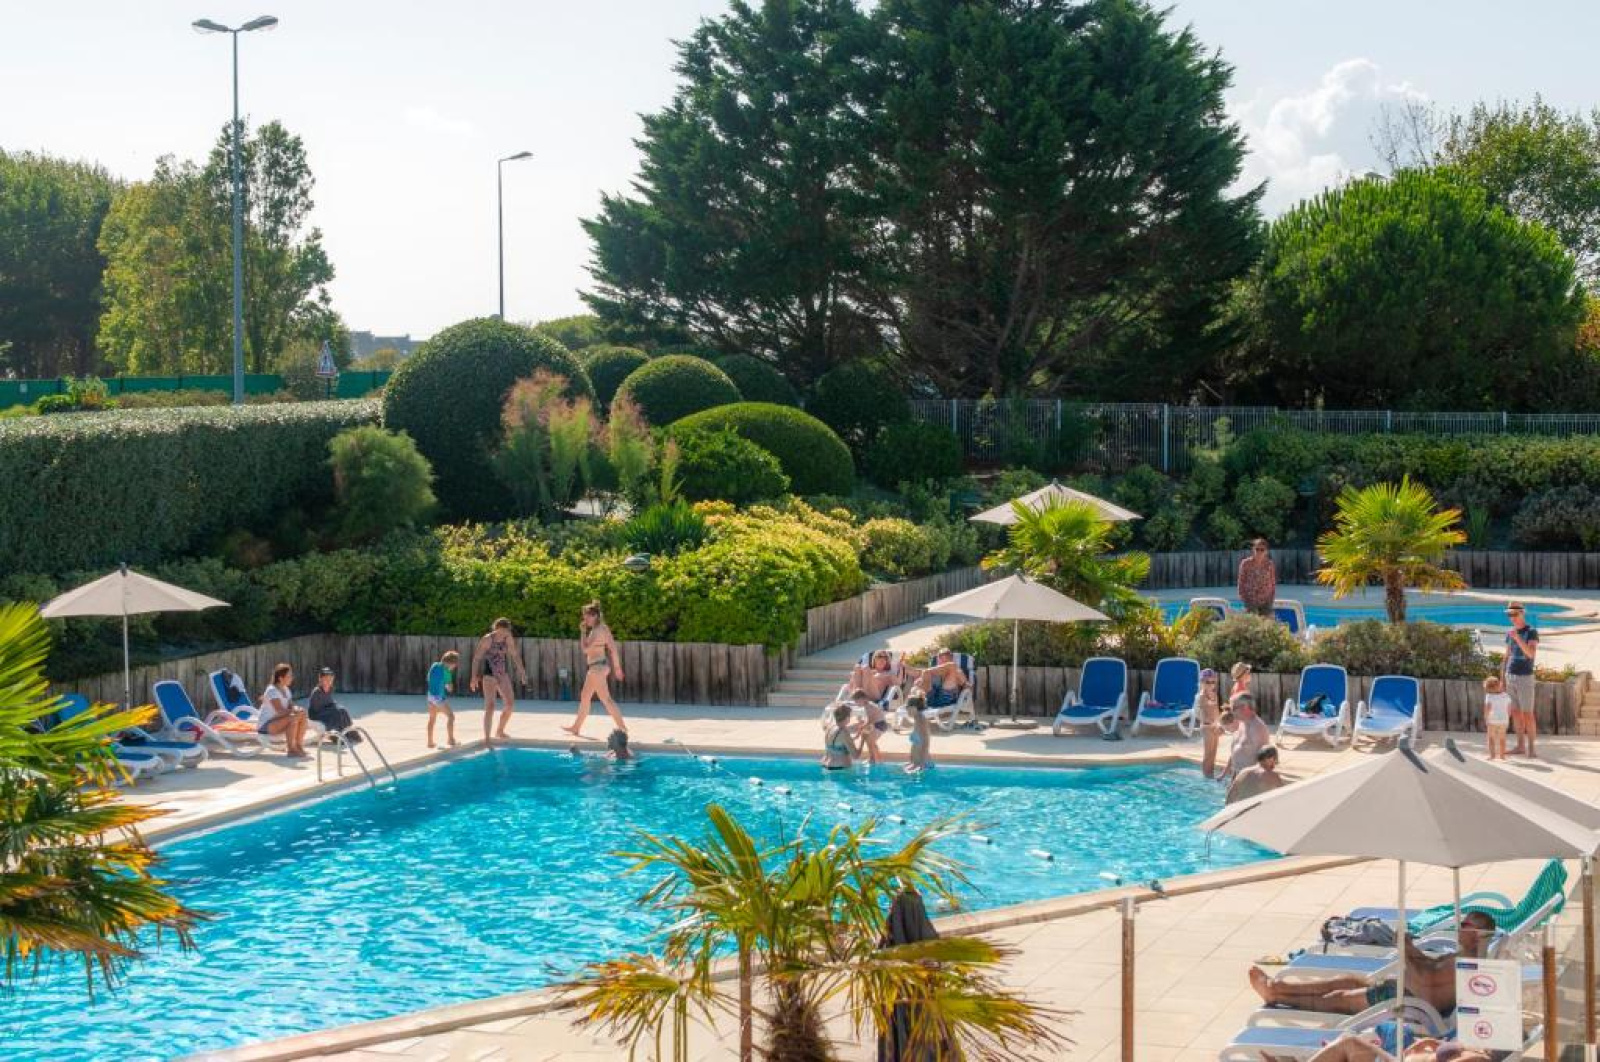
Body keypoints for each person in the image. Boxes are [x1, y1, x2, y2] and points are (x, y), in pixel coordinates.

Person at [1248, 911, 1497, 1019]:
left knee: (1339, 997)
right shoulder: (1466, 955)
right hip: (1406, 991)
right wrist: (1411, 948)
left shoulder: (1467, 964)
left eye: (1466, 925)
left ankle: (1278, 996)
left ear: (1478, 935)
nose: (1459, 927)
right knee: (1347, 980)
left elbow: (1426, 982)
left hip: (1411, 1003)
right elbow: (1432, 966)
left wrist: (1404, 953)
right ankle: (1278, 987)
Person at [565, 601, 627, 737]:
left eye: (587, 616)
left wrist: (582, 633)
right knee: (585, 696)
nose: (585, 619)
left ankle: (623, 729)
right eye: (584, 616)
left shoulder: (597, 631)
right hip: (599, 667)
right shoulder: (603, 628)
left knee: (606, 699)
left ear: (595, 616)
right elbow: (613, 649)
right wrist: (617, 668)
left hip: (597, 668)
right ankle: (576, 727)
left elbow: (585, 649)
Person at [471, 617, 528, 746]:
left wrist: (522, 672)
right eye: (501, 631)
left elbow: (515, 655)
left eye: (505, 631)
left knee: (510, 704)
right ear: (496, 628)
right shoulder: (487, 639)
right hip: (489, 676)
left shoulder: (508, 638)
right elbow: (477, 658)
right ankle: (487, 738)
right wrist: (473, 677)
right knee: (490, 707)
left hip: (502, 675)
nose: (503, 634)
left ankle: (500, 730)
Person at [1502, 602, 1539, 758]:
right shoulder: (1509, 633)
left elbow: (1530, 654)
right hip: (1510, 676)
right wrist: (1502, 678)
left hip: (1525, 677)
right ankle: (1520, 746)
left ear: (1522, 613)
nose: (1512, 617)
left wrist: (1517, 638)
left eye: (1514, 614)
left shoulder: (1531, 632)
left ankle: (1532, 748)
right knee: (1516, 714)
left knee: (1528, 714)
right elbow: (1506, 656)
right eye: (1509, 614)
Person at [257, 662, 310, 758]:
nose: (291, 678)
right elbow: (280, 711)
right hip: (266, 725)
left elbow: (291, 706)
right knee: (293, 718)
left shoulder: (286, 690)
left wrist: (298, 709)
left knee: (303, 714)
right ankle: (291, 750)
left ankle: (298, 746)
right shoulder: (272, 690)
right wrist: (294, 711)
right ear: (281, 678)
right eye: (289, 676)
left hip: (279, 721)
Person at [1223, 694, 1270, 780]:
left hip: (1249, 779)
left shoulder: (1258, 728)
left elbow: (1265, 761)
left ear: (1245, 707)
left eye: (1233, 708)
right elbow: (1236, 750)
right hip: (1237, 775)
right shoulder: (1242, 723)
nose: (1231, 712)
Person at [307, 667, 357, 741]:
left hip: (326, 711)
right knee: (336, 712)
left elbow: (330, 702)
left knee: (342, 710)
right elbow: (317, 708)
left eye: (330, 679)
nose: (329, 681)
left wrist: (335, 706)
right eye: (326, 679)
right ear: (320, 679)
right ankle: (335, 736)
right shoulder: (317, 692)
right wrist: (333, 708)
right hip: (317, 714)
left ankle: (349, 733)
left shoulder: (329, 689)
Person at [427, 650, 460, 748]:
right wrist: (448, 684)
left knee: (432, 719)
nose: (455, 667)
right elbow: (450, 689)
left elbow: (429, 678)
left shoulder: (434, 665)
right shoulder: (447, 672)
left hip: (430, 696)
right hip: (438, 698)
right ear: (451, 663)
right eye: (455, 665)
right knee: (451, 716)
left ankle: (430, 742)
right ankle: (451, 740)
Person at [1237, 538, 1277, 618]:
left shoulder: (1269, 564)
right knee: (1252, 623)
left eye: (1262, 550)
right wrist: (1242, 596)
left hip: (1266, 600)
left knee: (1267, 623)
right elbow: (1241, 580)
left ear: (1266, 551)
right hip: (1250, 600)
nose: (1259, 552)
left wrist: (1272, 597)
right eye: (1257, 549)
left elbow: (1272, 581)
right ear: (1253, 549)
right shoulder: (1245, 563)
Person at [850, 687, 887, 764]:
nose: (856, 703)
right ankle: (875, 758)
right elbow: (869, 720)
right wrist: (861, 726)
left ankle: (874, 758)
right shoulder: (867, 706)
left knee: (870, 742)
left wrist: (859, 729)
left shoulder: (869, 706)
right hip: (876, 724)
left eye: (856, 701)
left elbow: (869, 721)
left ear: (863, 699)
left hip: (880, 725)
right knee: (869, 741)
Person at [1198, 667, 1223, 777]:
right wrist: (1213, 725)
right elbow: (1204, 715)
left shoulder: (1214, 695)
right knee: (1208, 754)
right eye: (1208, 682)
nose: (1211, 684)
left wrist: (1219, 724)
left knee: (1214, 753)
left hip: (1214, 726)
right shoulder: (1201, 696)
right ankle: (1205, 777)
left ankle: (1210, 775)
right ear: (1202, 682)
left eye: (1213, 682)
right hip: (1207, 727)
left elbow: (1216, 711)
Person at [1482, 674, 1511, 761]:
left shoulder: (1489, 696)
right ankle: (1502, 756)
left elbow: (1487, 708)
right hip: (1504, 720)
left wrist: (1486, 718)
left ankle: (1492, 756)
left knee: (1491, 738)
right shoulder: (1506, 696)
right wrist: (1508, 717)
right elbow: (1509, 709)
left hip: (1492, 720)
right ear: (1499, 685)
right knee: (1502, 738)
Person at [822, 702, 857, 770]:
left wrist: (856, 735)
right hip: (840, 768)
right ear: (847, 718)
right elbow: (855, 755)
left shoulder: (830, 727)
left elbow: (837, 742)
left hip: (825, 764)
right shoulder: (844, 733)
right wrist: (863, 739)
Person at [905, 692, 934, 773]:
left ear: (914, 707)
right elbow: (915, 746)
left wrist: (922, 764)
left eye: (907, 707)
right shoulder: (917, 719)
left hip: (924, 764)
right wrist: (912, 762)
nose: (906, 710)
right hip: (917, 763)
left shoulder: (921, 720)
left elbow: (926, 743)